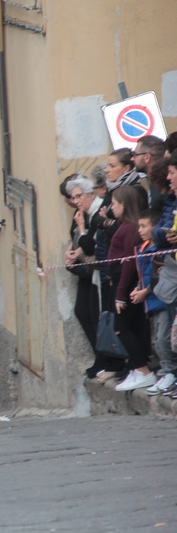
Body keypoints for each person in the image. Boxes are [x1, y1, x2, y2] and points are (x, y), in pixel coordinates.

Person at [64, 176, 116, 378]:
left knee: (98, 314)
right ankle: (101, 357)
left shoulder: (96, 212)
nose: (75, 201)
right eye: (73, 197)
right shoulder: (81, 212)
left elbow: (89, 244)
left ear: (91, 193)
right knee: (84, 312)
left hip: (97, 270)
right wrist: (70, 252)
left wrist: (82, 232)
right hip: (86, 270)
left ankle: (108, 359)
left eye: (78, 196)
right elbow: (75, 237)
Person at [108, 186, 154, 391]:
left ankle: (143, 371)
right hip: (124, 283)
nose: (111, 207)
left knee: (121, 328)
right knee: (133, 327)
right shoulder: (127, 226)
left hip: (124, 284)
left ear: (123, 204)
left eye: (114, 203)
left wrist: (119, 294)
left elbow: (128, 263)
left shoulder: (128, 228)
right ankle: (137, 369)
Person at [131, 210, 175, 395]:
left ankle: (170, 372)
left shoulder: (159, 250)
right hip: (152, 301)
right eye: (139, 226)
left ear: (155, 228)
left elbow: (157, 276)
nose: (140, 230)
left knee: (164, 339)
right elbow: (144, 275)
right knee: (158, 339)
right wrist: (137, 287)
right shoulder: (144, 248)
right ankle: (166, 372)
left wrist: (145, 291)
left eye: (144, 226)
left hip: (161, 299)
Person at [133, 135, 167, 211]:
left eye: (135, 154)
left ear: (147, 157)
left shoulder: (163, 182)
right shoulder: (153, 180)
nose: (132, 158)